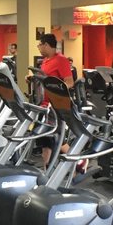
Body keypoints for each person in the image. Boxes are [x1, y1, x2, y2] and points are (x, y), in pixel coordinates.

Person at [34, 33, 77, 169]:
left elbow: (69, 82)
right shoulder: (45, 61)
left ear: (46, 45)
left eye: (40, 45)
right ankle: (46, 169)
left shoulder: (61, 60)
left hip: (54, 106)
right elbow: (45, 79)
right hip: (44, 105)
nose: (39, 48)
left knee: (55, 138)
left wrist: (56, 91)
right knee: (45, 139)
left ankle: (78, 161)